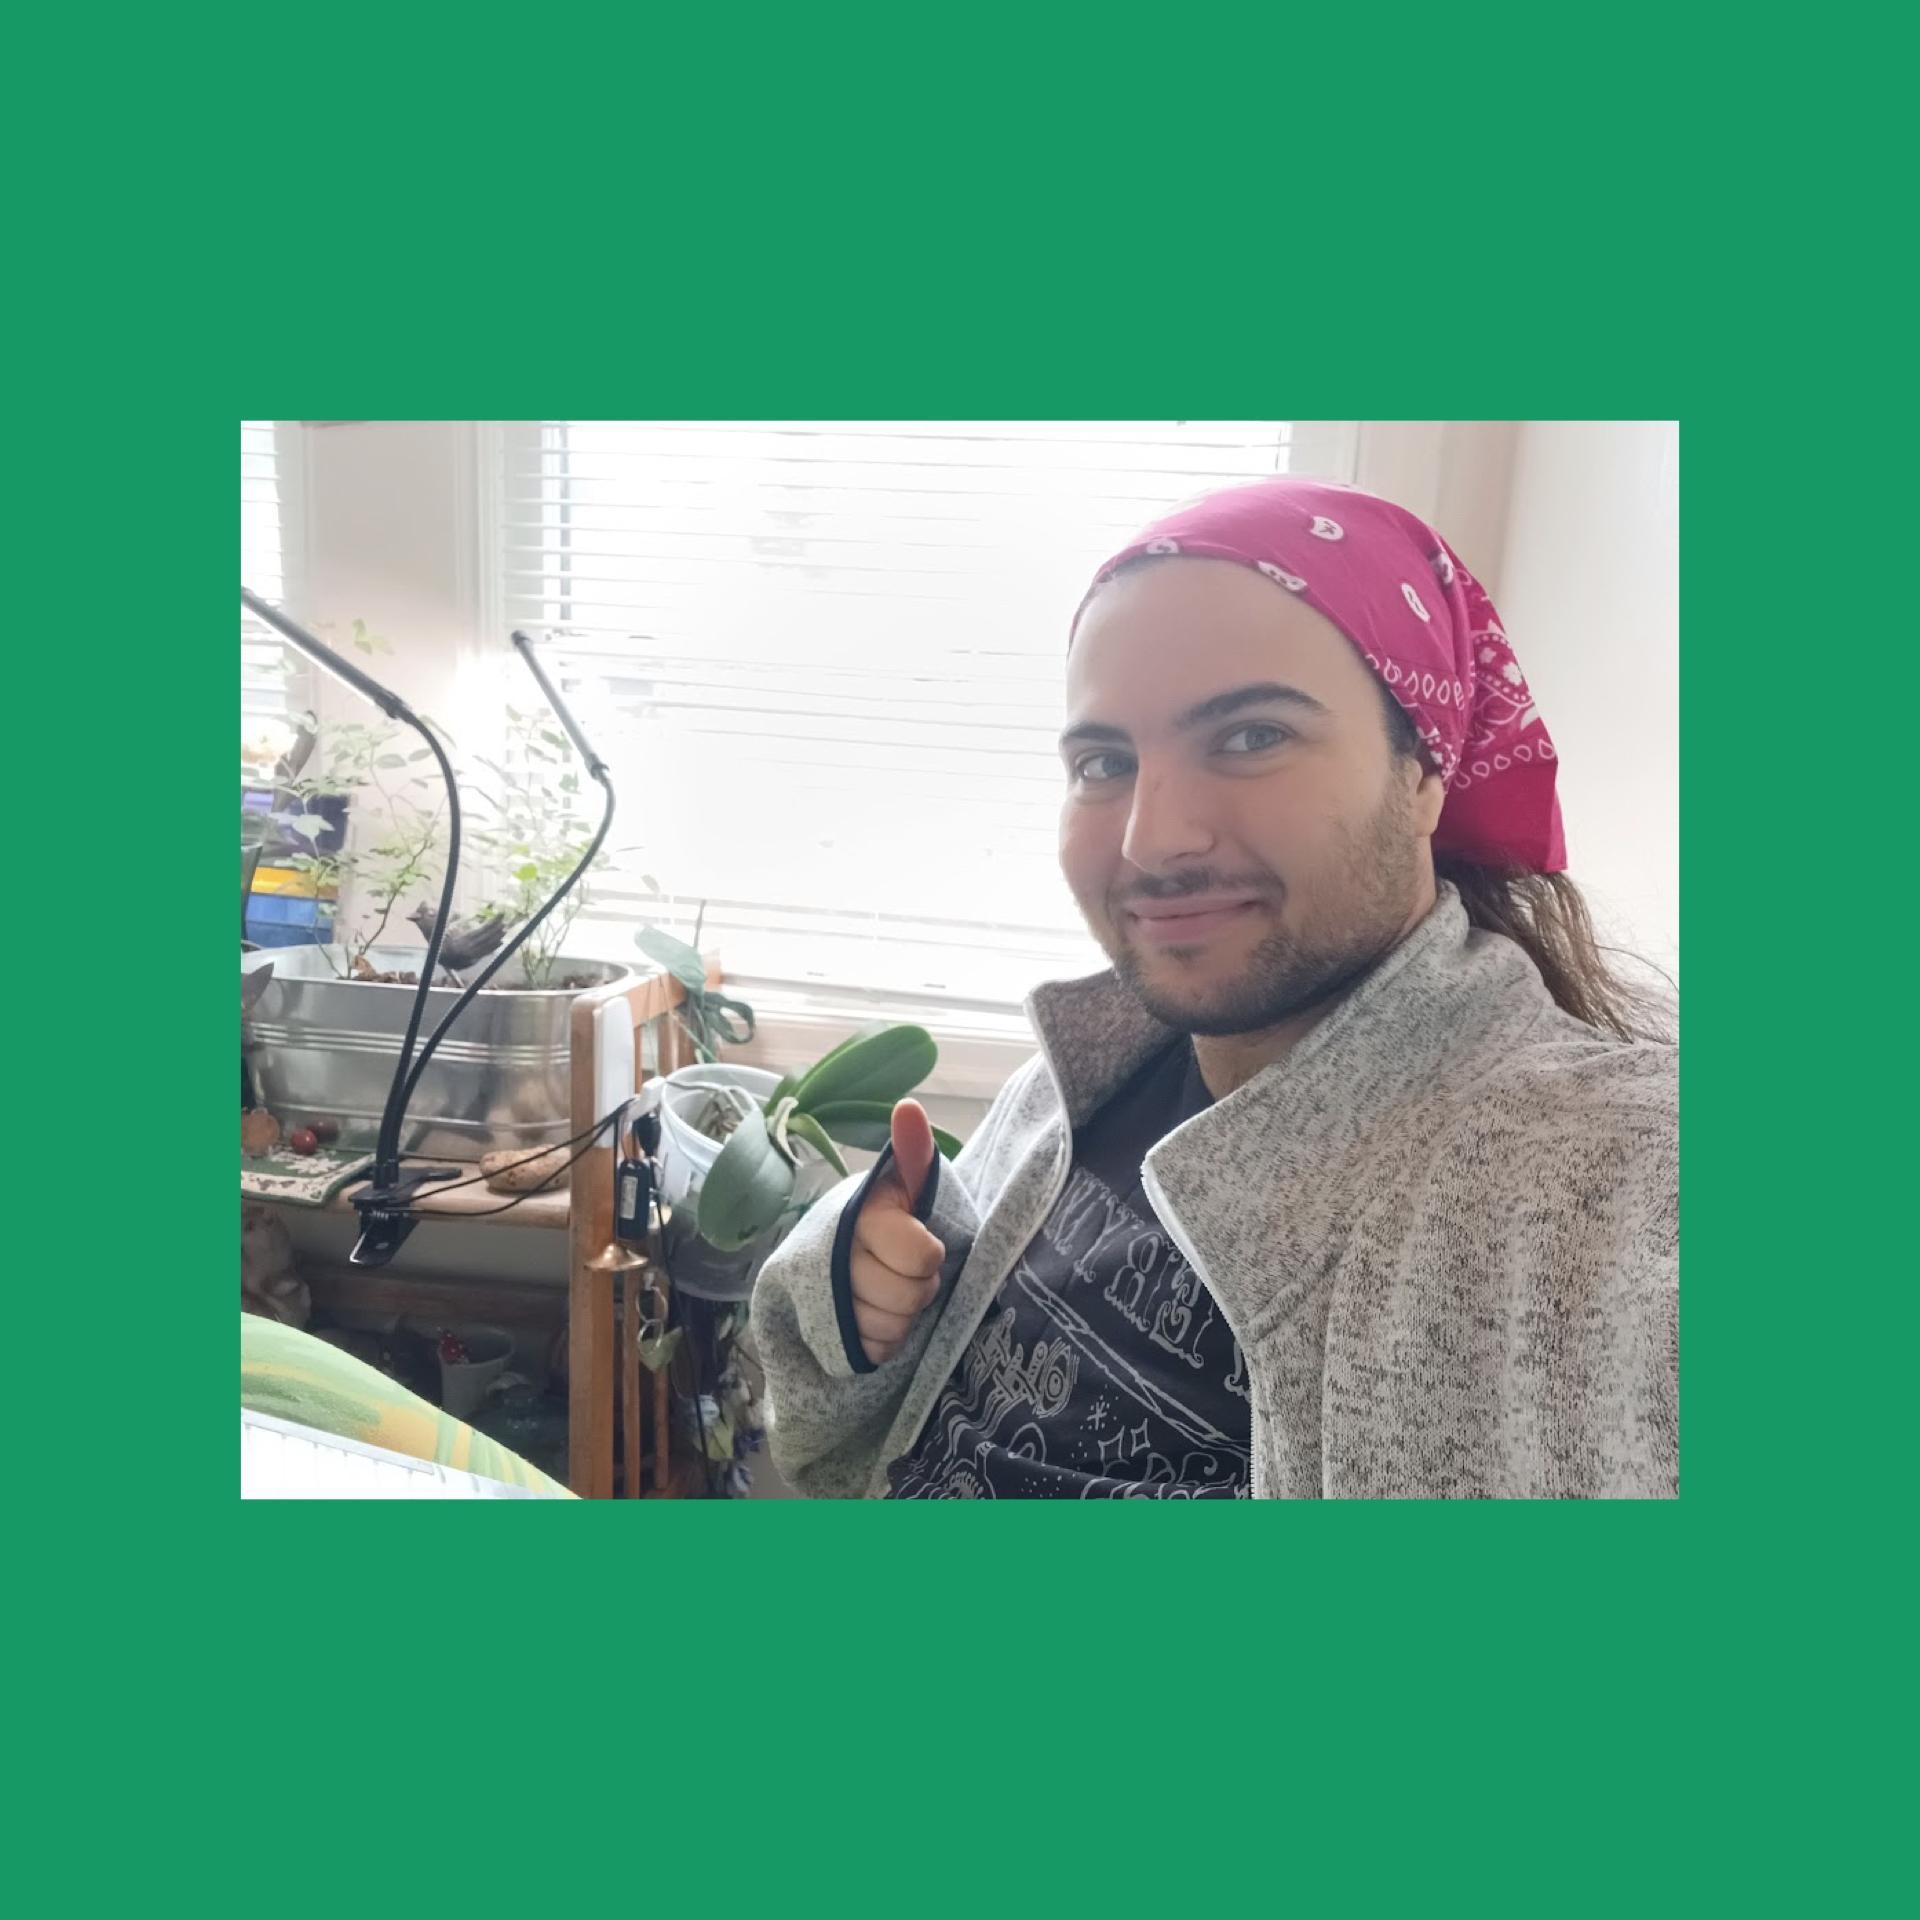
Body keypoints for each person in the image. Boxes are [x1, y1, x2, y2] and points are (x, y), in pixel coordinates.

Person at [750, 476, 1678, 1499]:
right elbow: (842, 1433)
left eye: (1250, 737)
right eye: (1104, 761)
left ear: (1424, 773)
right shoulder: (1082, 1074)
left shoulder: (1592, 1174)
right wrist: (857, 1283)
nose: (1154, 840)